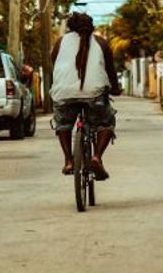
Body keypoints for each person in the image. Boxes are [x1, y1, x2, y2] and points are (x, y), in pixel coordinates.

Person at [51, 12, 121, 180]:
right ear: (91, 27)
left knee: (63, 125)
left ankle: (69, 160)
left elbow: (54, 66)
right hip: (95, 94)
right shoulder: (101, 43)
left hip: (64, 93)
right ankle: (96, 157)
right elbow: (110, 72)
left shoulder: (60, 42)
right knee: (105, 123)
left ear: (70, 27)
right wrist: (115, 89)